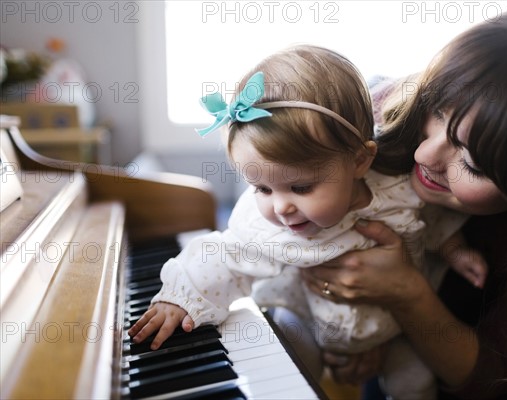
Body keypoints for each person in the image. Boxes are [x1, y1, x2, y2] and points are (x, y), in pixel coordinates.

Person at [127, 45, 488, 398]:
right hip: (312, 326)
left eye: (300, 186)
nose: (281, 208)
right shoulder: (271, 230)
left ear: (360, 161)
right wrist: (179, 298)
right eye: (262, 188)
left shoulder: (397, 189)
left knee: (415, 380)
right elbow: (223, 256)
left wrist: (455, 250)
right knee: (288, 352)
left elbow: (432, 221)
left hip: (395, 331)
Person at [301, 3, 507, 399]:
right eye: (437, 110)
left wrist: (406, 294)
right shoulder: (381, 113)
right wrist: (356, 336)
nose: (425, 155)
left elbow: (490, 380)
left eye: (473, 164)